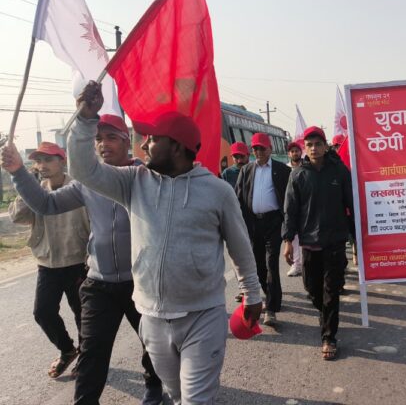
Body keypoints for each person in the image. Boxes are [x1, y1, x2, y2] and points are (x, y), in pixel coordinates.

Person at [68, 81, 262, 404]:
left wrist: (252, 293)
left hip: (203, 315)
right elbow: (82, 170)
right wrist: (86, 118)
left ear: (176, 146)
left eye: (152, 139)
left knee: (196, 399)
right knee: (176, 394)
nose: (144, 145)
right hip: (153, 318)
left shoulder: (218, 192)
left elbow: (240, 247)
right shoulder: (133, 183)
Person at [2, 116, 163, 404]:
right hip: (99, 283)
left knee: (152, 343)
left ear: (127, 141)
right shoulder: (88, 183)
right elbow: (46, 204)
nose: (103, 144)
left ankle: (153, 386)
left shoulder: (147, 178)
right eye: (98, 139)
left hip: (141, 283)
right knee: (92, 353)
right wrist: (18, 172)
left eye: (111, 137)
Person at [6, 141, 89, 380]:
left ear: (62, 161)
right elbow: (17, 217)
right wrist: (27, 186)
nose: (42, 165)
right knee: (42, 312)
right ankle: (67, 350)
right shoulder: (34, 190)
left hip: (78, 262)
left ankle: (86, 356)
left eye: (48, 159)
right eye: (38, 161)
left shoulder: (78, 187)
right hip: (47, 263)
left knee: (82, 314)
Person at [283, 126, 354, 361]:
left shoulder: (339, 171)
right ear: (305, 148)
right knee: (313, 290)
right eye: (309, 145)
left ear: (325, 146)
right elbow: (290, 210)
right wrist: (288, 240)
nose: (314, 148)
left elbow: (351, 203)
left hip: (335, 241)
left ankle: (329, 337)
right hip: (309, 242)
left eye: (318, 144)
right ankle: (326, 315)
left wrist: (357, 236)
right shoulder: (298, 175)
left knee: (331, 291)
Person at [234, 132, 291, 327]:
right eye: (255, 148)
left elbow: (289, 200)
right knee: (258, 266)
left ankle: (272, 309)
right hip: (253, 224)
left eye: (261, 148)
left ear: (270, 149)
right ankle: (271, 294)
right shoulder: (246, 170)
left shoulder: (282, 170)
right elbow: (238, 198)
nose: (258, 152)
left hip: (273, 223)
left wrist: (289, 228)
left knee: (271, 263)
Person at [285, 140, 304, 277]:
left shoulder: (306, 166)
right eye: (292, 151)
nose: (295, 153)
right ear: (289, 154)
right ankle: (296, 265)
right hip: (292, 206)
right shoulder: (285, 169)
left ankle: (306, 263)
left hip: (306, 206)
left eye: (297, 151)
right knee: (294, 237)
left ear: (301, 152)